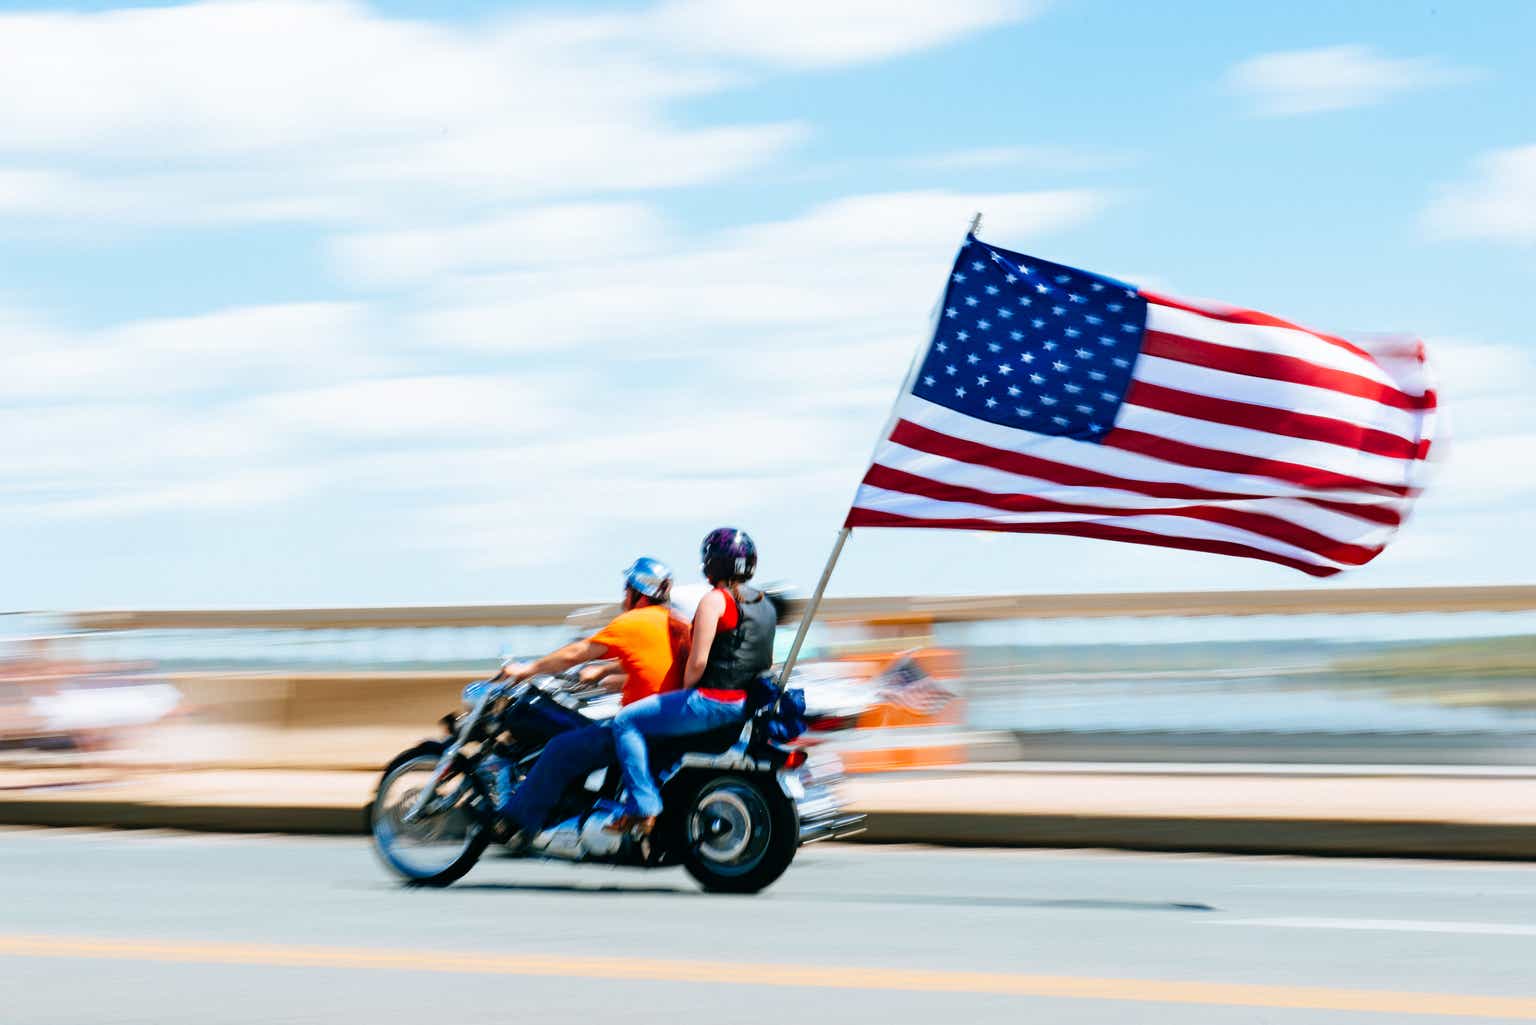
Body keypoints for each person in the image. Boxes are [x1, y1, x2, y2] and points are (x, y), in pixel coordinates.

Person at [494, 557, 688, 839]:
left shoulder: (632, 622)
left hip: (643, 726)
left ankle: (514, 823)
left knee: (560, 748)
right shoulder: (672, 623)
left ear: (636, 592)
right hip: (667, 719)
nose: (624, 595)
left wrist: (528, 669)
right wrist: (606, 675)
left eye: (627, 588)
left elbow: (575, 653)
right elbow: (654, 668)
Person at [609, 527, 776, 833]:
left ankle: (641, 806)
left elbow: (698, 661)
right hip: (745, 704)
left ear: (711, 563)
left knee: (625, 722)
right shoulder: (766, 605)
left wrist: (683, 695)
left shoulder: (716, 600)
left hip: (712, 701)